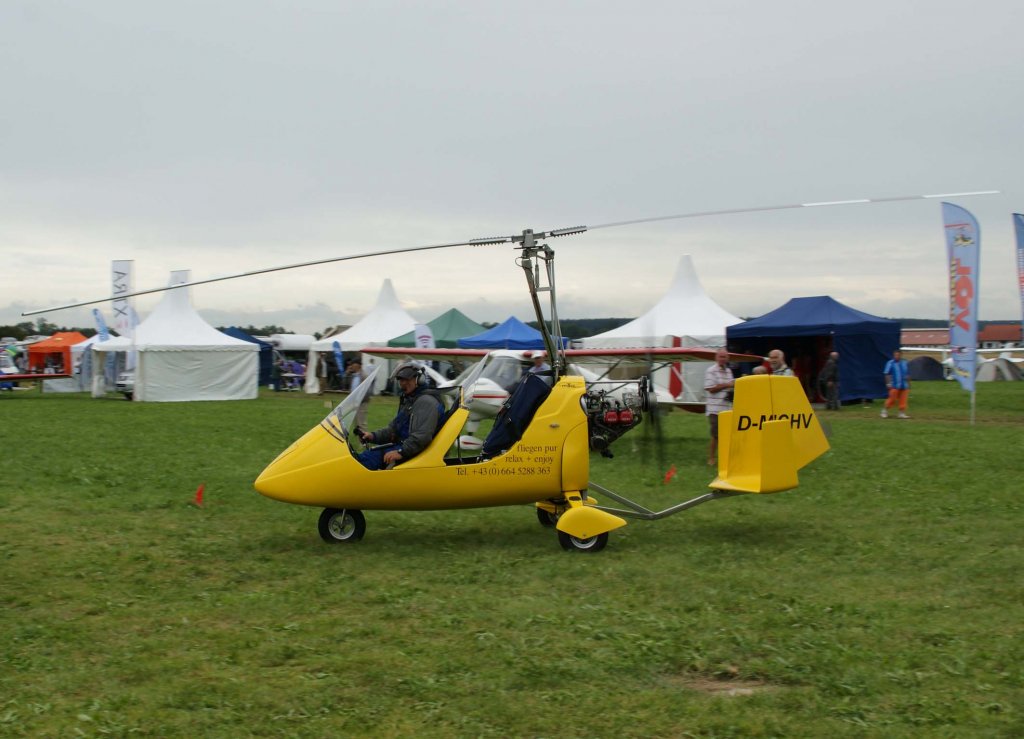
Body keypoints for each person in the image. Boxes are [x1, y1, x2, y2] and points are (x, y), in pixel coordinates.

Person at [356, 362, 446, 470]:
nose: (403, 383)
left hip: (412, 453)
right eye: (401, 380)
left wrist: (401, 452)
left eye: (407, 379)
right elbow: (393, 430)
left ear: (419, 379)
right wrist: (373, 436)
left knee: (362, 463)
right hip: (404, 448)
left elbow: (421, 437)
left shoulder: (426, 402)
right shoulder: (412, 400)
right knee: (359, 459)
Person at [703, 348, 735, 467]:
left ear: (728, 358)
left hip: (727, 408)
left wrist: (732, 388)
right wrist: (727, 385)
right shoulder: (711, 371)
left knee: (727, 435)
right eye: (720, 356)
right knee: (716, 435)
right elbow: (711, 389)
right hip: (714, 409)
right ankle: (711, 458)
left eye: (724, 357)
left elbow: (731, 386)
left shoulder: (729, 371)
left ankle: (726, 458)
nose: (722, 359)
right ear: (716, 358)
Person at [882, 349, 911, 419]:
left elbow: (907, 374)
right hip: (895, 385)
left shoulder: (905, 363)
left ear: (901, 355)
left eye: (898, 355)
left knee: (903, 399)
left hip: (904, 385)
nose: (897, 356)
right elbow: (886, 374)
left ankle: (901, 413)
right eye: (895, 355)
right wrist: (888, 383)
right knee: (892, 399)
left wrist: (909, 383)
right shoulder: (890, 363)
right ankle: (884, 411)